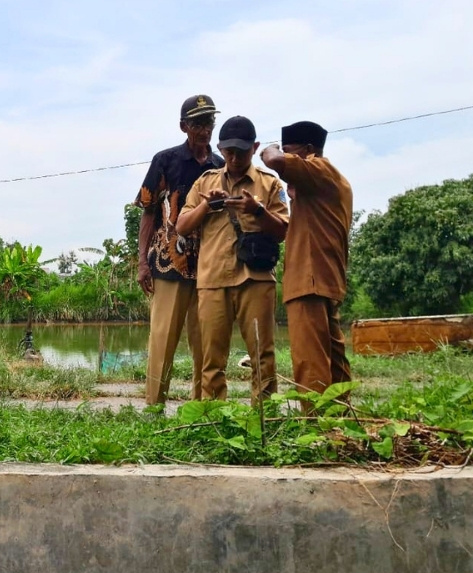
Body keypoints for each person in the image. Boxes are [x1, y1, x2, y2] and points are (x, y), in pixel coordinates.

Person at [176, 116, 289, 405]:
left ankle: (264, 419)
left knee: (262, 356)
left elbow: (283, 231)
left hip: (255, 279)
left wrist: (258, 210)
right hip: (213, 279)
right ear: (220, 148)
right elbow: (182, 226)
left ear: (255, 147)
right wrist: (206, 205)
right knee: (211, 358)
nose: (234, 158)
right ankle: (215, 419)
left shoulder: (270, 184)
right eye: (228, 151)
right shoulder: (205, 182)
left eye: (241, 151)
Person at [134, 95, 225, 408]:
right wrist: (142, 263)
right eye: (198, 123)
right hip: (168, 263)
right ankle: (154, 407)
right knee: (163, 339)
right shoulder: (166, 160)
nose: (204, 129)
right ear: (184, 126)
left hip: (209, 266)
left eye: (209, 121)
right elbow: (148, 211)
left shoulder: (220, 166)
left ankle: (202, 408)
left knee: (206, 343)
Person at [261, 121, 353, 412]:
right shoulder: (334, 181)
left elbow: (272, 159)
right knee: (333, 357)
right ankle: (340, 420)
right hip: (327, 279)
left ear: (309, 151)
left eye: (292, 152)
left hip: (309, 279)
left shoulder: (318, 169)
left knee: (309, 359)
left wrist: (273, 148)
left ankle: (317, 429)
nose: (287, 159)